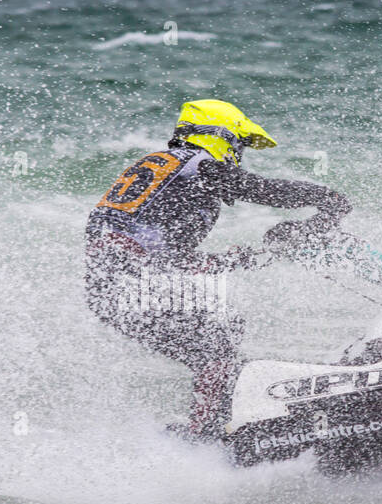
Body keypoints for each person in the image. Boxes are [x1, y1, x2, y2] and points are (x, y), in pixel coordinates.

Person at [85, 100, 351, 438]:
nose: (238, 156)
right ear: (221, 137)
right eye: (239, 145)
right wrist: (328, 197)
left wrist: (232, 260)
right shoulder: (198, 164)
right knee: (216, 345)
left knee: (222, 330)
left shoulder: (161, 166)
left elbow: (154, 250)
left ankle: (218, 421)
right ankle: (207, 435)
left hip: (109, 289)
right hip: (132, 285)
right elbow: (260, 188)